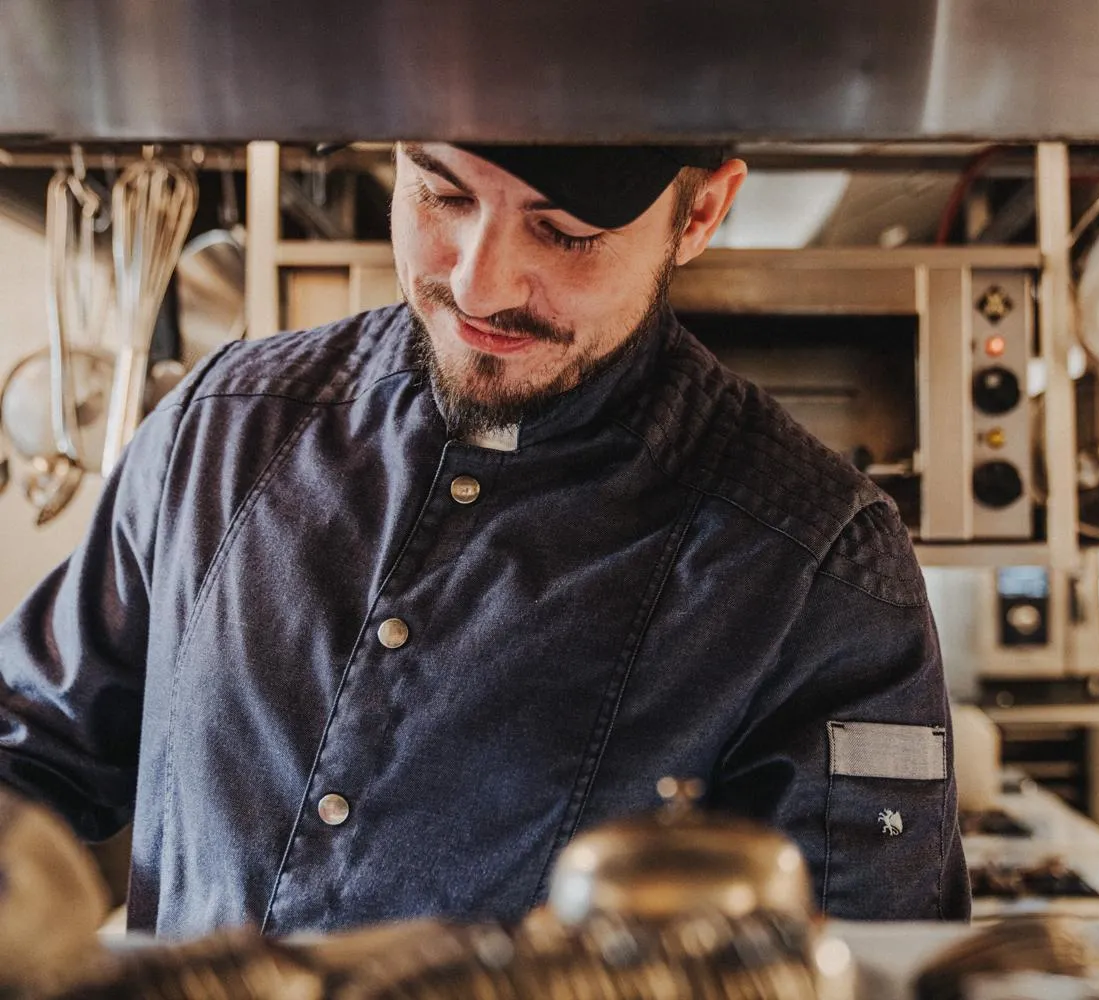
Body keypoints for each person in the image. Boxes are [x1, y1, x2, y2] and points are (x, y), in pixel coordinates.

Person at [0, 143, 969, 937]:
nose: (479, 280)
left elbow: (863, 955)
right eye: (441, 192)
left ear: (703, 211)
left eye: (566, 232)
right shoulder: (224, 427)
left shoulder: (819, 562)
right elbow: (29, 745)